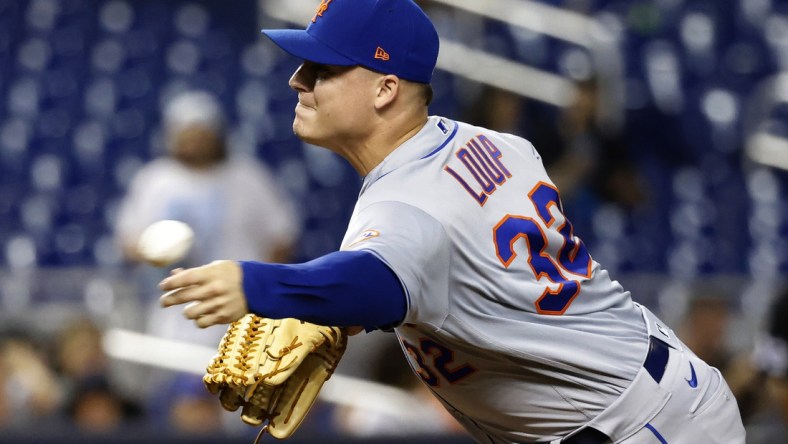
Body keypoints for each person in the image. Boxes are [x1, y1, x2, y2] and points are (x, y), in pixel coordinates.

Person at [158, 0, 745, 442]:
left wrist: (257, 286)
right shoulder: (498, 145)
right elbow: (448, 264)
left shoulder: (407, 205)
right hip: (656, 396)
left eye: (323, 67)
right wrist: (346, 317)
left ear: (386, 89)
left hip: (637, 426)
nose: (297, 80)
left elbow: (380, 275)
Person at [114, 89, 301, 346]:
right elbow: (128, 241)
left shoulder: (247, 177)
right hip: (175, 316)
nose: (195, 140)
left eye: (202, 131)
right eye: (187, 132)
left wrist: (261, 289)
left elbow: (282, 236)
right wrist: (152, 251)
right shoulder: (155, 179)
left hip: (242, 313)